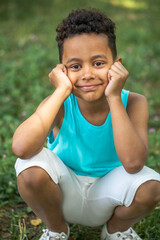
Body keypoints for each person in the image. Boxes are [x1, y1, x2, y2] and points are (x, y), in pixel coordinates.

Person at [12, 8, 160, 240]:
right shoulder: (59, 103)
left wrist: (114, 97)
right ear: (61, 70)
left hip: (110, 195)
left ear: (117, 65)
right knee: (29, 169)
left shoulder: (134, 102)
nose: (88, 74)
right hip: (64, 193)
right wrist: (61, 91)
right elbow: (21, 149)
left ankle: (116, 230)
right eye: (75, 66)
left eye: (98, 63)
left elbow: (133, 164)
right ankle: (56, 230)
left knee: (152, 187)